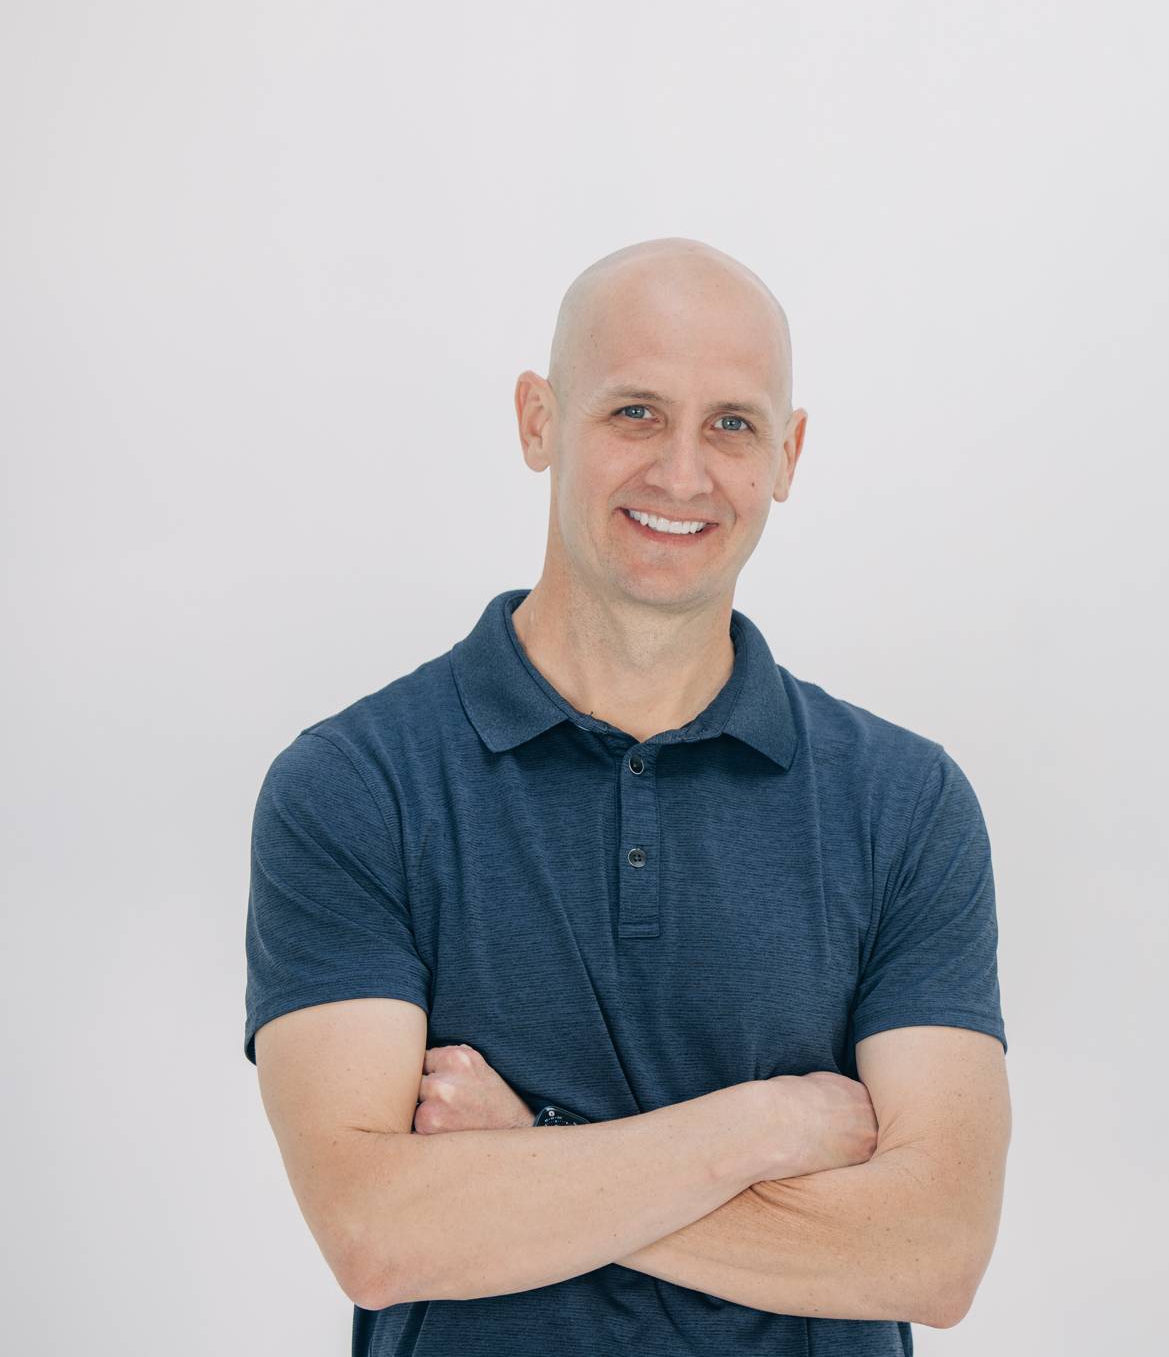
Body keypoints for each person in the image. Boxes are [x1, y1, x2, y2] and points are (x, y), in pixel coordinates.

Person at [242, 238, 1011, 1357]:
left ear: (788, 454)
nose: (683, 475)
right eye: (635, 413)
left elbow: (933, 1252)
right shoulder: (356, 785)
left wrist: (528, 1150)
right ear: (538, 421)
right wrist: (757, 1128)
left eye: (732, 424)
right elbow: (378, 1232)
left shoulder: (905, 802)